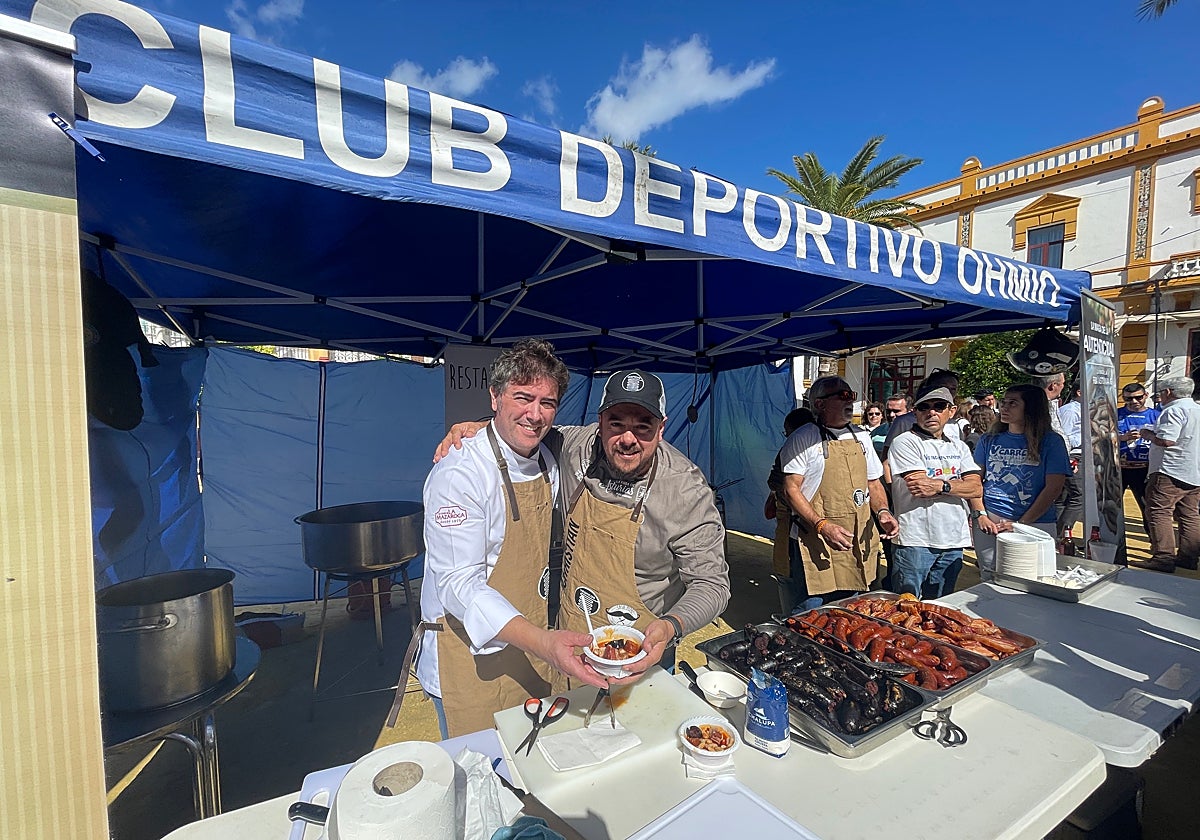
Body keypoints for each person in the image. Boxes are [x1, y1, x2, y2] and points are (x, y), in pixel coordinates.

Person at [437, 368, 731, 680]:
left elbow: (712, 584)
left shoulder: (685, 490)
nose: (628, 439)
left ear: (662, 428)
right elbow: (524, 427)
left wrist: (672, 625)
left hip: (642, 655)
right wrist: (481, 426)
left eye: (643, 427)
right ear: (599, 423)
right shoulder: (576, 446)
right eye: (616, 424)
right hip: (571, 644)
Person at [408, 340, 607, 738]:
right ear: (494, 396)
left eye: (547, 403)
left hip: (529, 646)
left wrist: (541, 643)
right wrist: (542, 642)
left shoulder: (550, 458)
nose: (535, 415)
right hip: (467, 654)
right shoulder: (459, 473)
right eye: (523, 397)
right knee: (479, 777)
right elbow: (458, 586)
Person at [778, 376, 899, 610]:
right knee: (810, 611)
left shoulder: (861, 436)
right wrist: (822, 525)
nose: (850, 401)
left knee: (849, 607)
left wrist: (883, 511)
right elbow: (790, 489)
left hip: (853, 539)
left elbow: (873, 483)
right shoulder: (803, 438)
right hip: (815, 540)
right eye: (842, 396)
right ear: (820, 404)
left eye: (851, 395)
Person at [968, 384, 1072, 580]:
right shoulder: (989, 439)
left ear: (1031, 407)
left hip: (1035, 523)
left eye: (1013, 403)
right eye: (1004, 402)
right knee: (989, 578)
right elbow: (974, 479)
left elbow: (1054, 488)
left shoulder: (1051, 441)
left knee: (1034, 579)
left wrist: (1020, 524)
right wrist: (980, 514)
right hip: (990, 521)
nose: (1004, 408)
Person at [887, 387, 983, 598]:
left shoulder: (959, 446)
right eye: (924, 407)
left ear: (952, 411)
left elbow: (976, 488)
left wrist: (941, 486)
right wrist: (958, 486)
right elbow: (920, 487)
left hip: (954, 541)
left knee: (939, 609)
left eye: (939, 407)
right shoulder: (905, 442)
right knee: (906, 607)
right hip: (916, 540)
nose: (931, 412)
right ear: (915, 412)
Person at [1132, 376, 1200, 573]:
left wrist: (1148, 435)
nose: (1160, 397)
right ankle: (1189, 557)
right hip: (1193, 470)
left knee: (1158, 511)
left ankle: (1164, 556)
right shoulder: (1197, 409)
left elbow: (1167, 440)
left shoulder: (1173, 410)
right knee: (1190, 514)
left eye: (1161, 392)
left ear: (1168, 392)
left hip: (1170, 470)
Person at [765, 407, 815, 613]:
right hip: (806, 524)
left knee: (792, 579)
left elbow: (775, 482)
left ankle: (790, 621)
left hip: (795, 526)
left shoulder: (794, 446)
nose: (787, 437)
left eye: (787, 432)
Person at [1116, 381, 1160, 516]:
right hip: (1119, 468)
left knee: (1148, 507)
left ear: (1146, 395)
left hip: (1145, 468)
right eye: (1128, 399)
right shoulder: (1115, 414)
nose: (1134, 401)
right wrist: (1122, 438)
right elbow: (1100, 436)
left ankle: (1153, 536)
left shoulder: (1156, 415)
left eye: (1138, 397)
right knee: (1111, 506)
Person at [1056, 381, 1085, 538]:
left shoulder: (1082, 410)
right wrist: (1087, 436)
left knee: (1062, 497)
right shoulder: (1070, 411)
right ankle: (1062, 535)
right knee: (1078, 496)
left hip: (1077, 455)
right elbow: (1063, 438)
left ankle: (1057, 535)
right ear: (1079, 392)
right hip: (1072, 456)